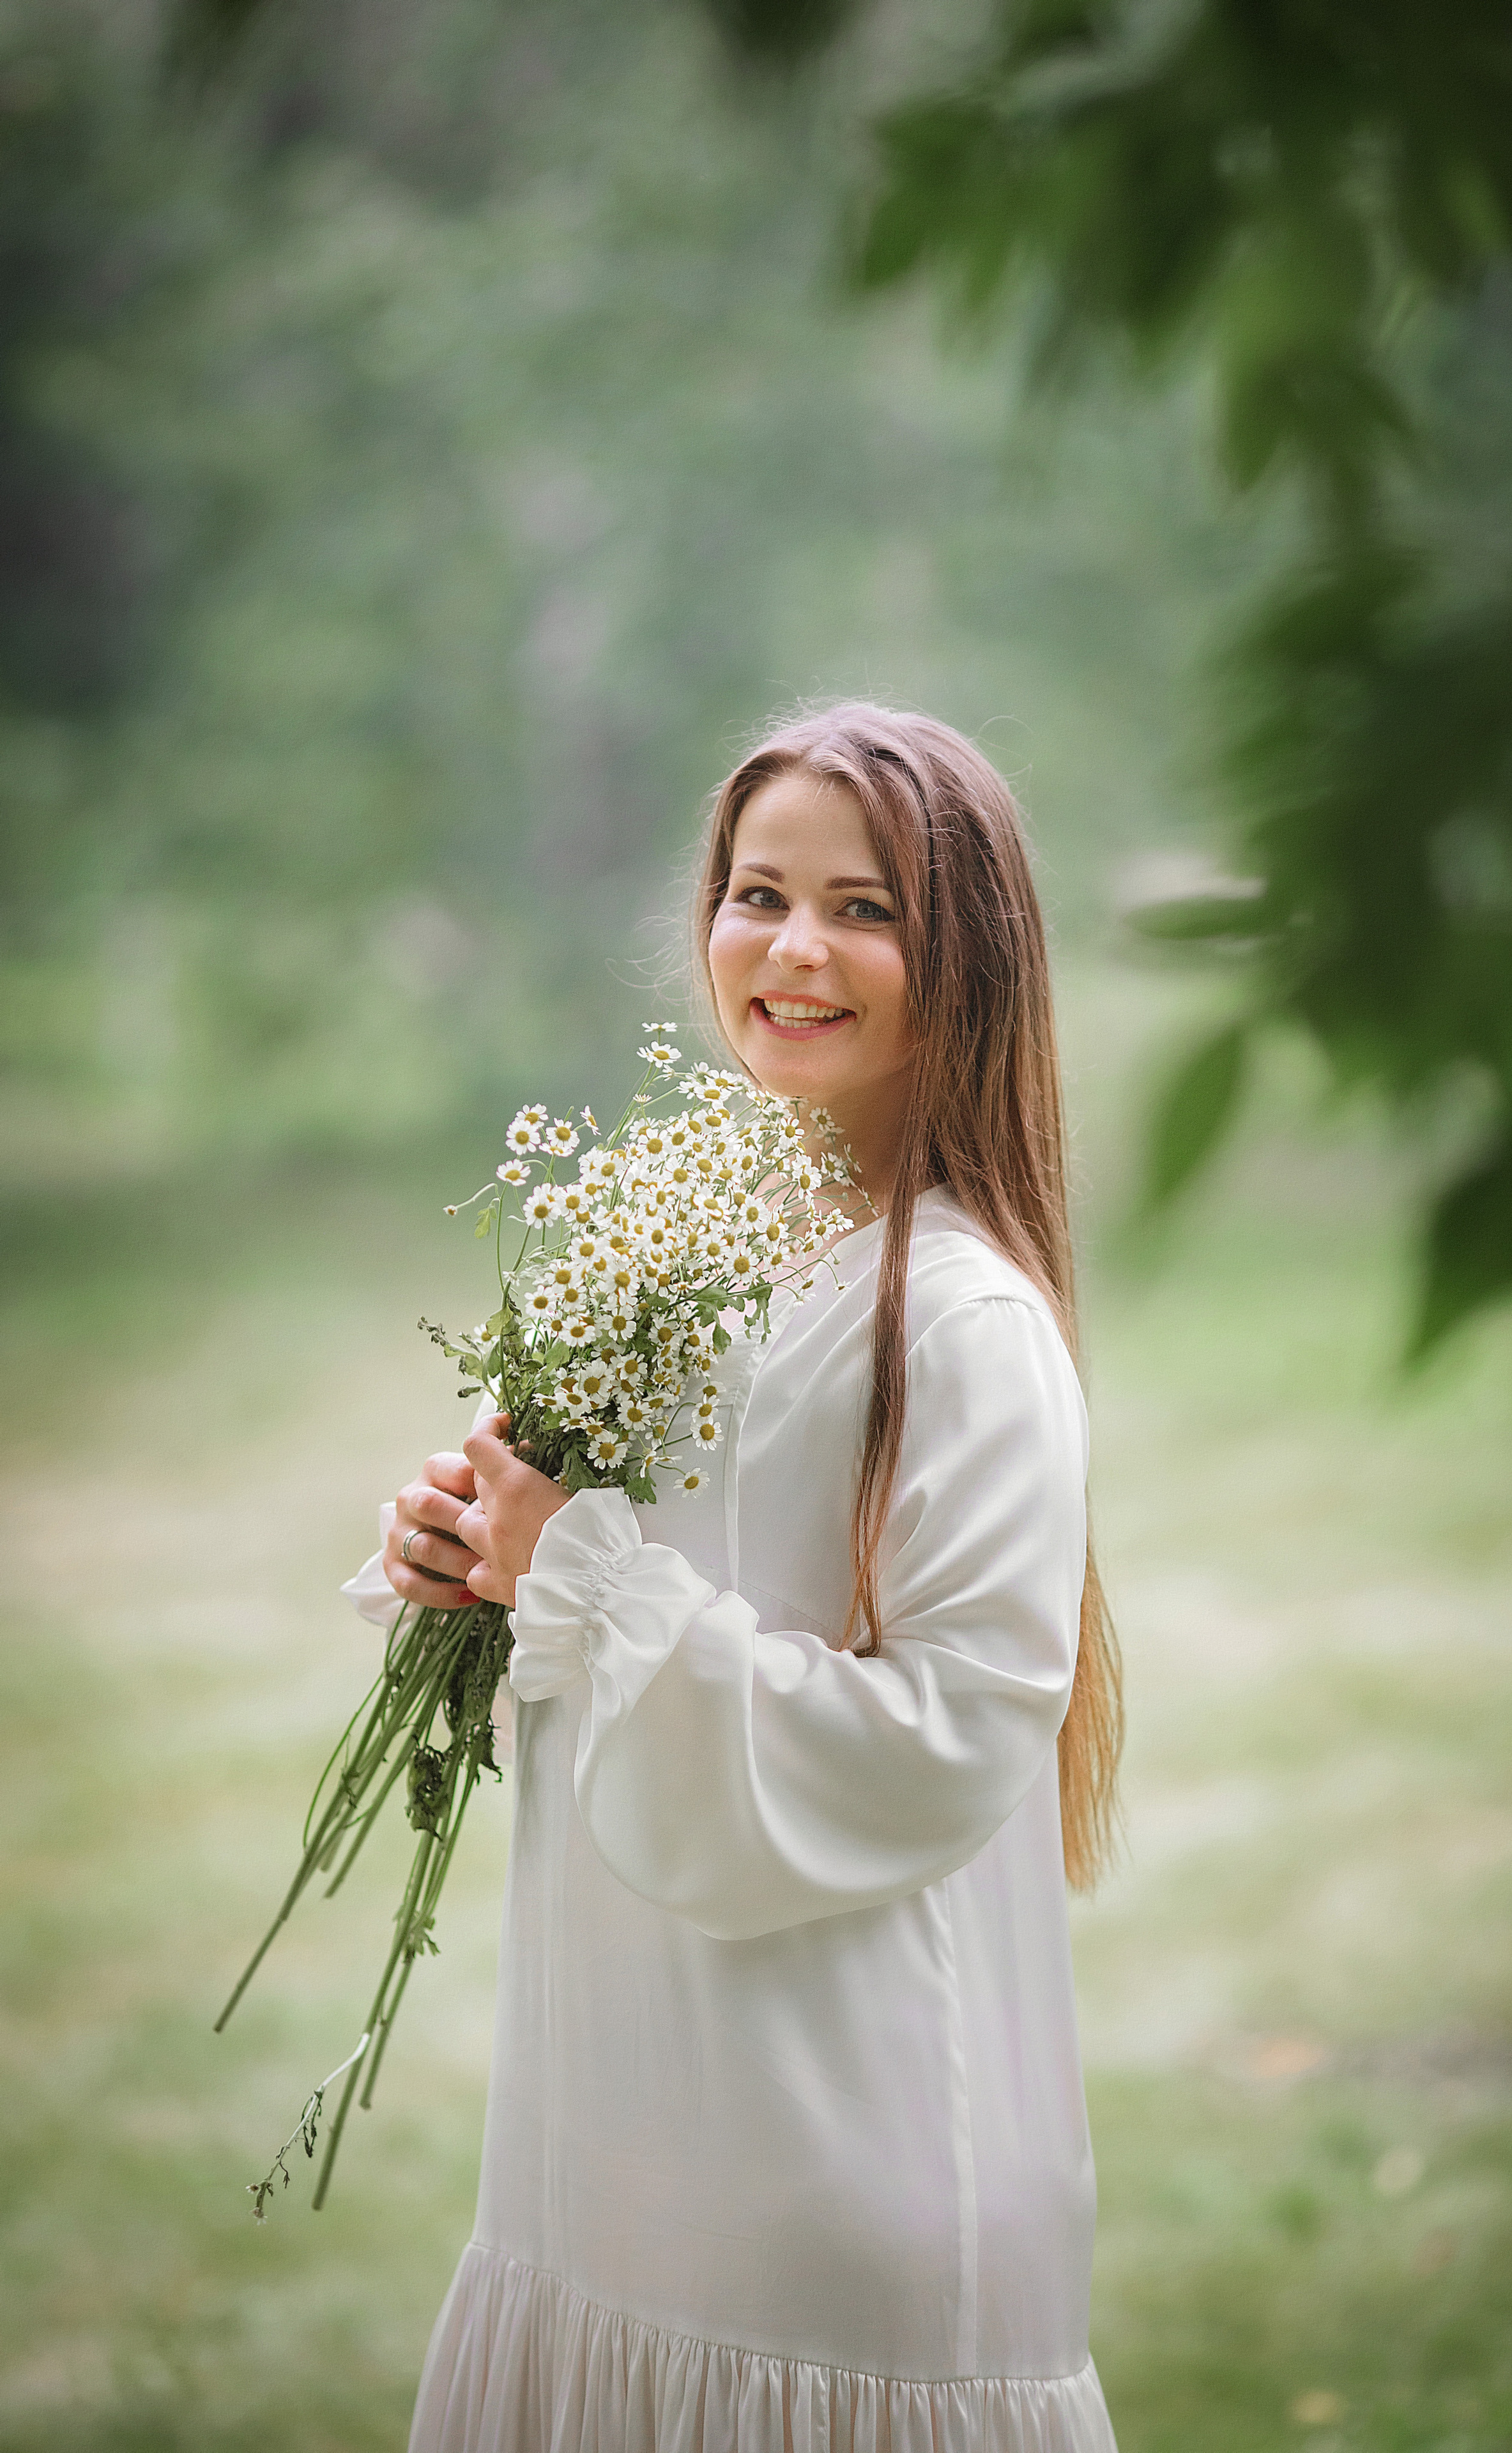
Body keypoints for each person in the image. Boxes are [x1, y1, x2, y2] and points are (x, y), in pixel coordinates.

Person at [343, 703, 1123, 2452]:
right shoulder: (694, 1247)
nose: (793, 949)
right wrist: (470, 1558)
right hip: (609, 2116)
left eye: (866, 909)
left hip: (821, 2147)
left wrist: (583, 1571)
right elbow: (585, 1566)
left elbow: (947, 1734)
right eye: (758, 895)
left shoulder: (968, 1323)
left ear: (972, 961)